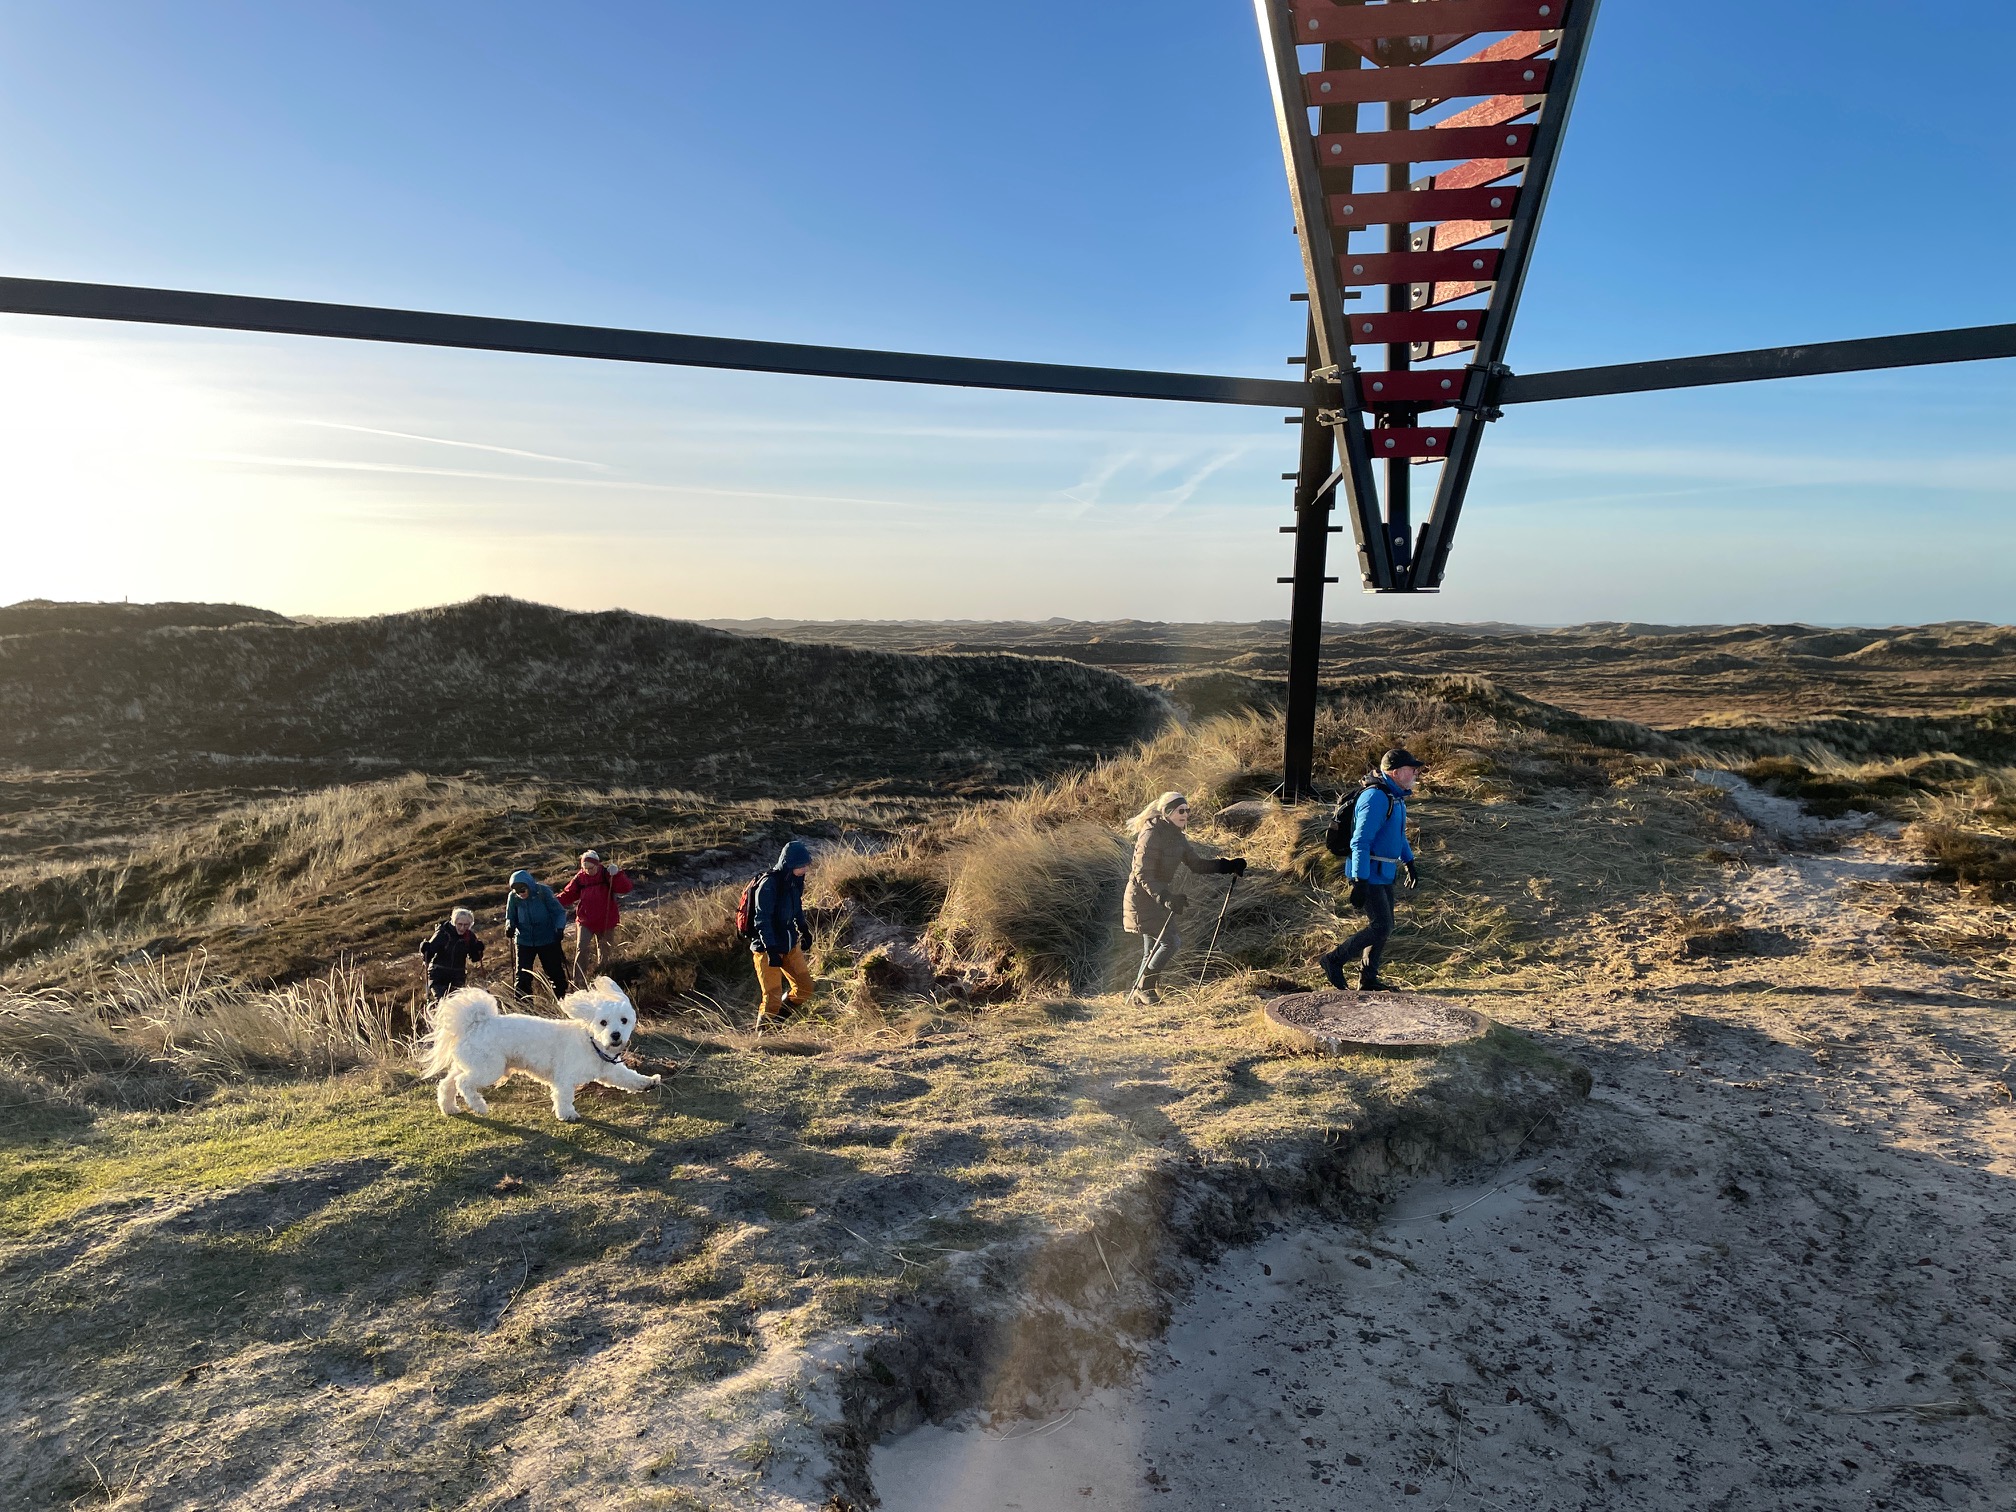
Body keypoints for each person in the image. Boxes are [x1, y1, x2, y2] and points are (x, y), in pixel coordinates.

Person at [1122, 791, 1245, 1004]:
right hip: (1142, 899)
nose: (1186, 814)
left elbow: (1196, 864)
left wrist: (1228, 865)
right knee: (1170, 942)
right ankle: (1145, 988)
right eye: (1181, 811)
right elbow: (1143, 874)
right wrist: (1165, 897)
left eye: (1188, 810)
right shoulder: (1151, 834)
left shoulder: (1177, 836)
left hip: (1158, 897)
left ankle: (1140, 994)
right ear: (1167, 812)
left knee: (1152, 948)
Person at [1321, 748, 1423, 992]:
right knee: (1382, 926)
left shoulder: (1395, 797)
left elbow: (1397, 835)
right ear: (1396, 772)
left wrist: (1409, 862)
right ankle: (1334, 960)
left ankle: (1368, 979)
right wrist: (1360, 880)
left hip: (1383, 872)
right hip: (1369, 873)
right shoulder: (1376, 797)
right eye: (1411, 769)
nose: (1416, 773)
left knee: (1384, 927)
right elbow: (1360, 841)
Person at [750, 840, 815, 1027]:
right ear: (789, 864)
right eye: (801, 866)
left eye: (806, 865)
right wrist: (771, 950)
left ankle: (776, 1024)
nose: (804, 869)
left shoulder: (795, 881)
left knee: (805, 989)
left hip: (789, 944)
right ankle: (764, 1037)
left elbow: (797, 907)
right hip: (766, 948)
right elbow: (761, 920)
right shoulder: (768, 884)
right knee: (772, 998)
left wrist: (804, 929)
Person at [558, 849, 634, 986]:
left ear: (597, 865)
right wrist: (552, 902)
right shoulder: (580, 878)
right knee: (581, 948)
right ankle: (578, 982)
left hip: (606, 920)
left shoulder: (607, 874)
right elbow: (568, 894)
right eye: (584, 868)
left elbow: (625, 888)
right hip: (585, 920)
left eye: (590, 868)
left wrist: (617, 875)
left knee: (605, 950)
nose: (588, 871)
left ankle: (603, 979)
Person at [504, 868, 569, 1000]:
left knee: (555, 972)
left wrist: (559, 928)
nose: (520, 893)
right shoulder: (513, 897)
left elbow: (559, 912)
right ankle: (524, 1006)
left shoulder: (543, 892)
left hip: (547, 939)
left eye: (523, 890)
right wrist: (509, 926)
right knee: (522, 976)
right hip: (524, 940)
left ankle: (561, 1001)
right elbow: (510, 917)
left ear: (529, 885)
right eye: (516, 891)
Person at [419, 907, 486, 1000]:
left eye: (466, 925)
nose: (462, 928)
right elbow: (429, 952)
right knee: (442, 1002)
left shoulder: (470, 936)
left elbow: (474, 958)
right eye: (460, 924)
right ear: (454, 922)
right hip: (439, 975)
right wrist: (424, 948)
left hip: (458, 976)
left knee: (457, 1004)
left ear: (470, 924)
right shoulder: (443, 933)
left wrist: (478, 949)